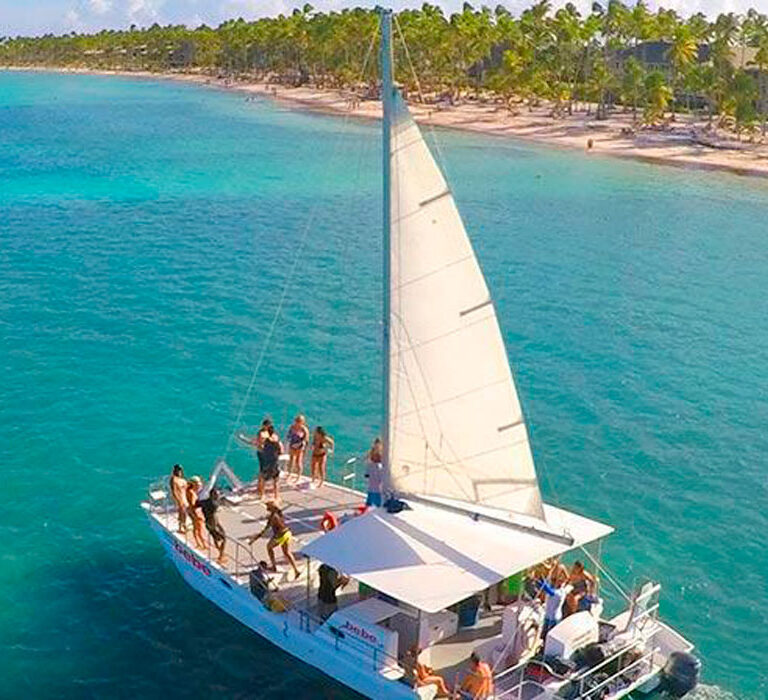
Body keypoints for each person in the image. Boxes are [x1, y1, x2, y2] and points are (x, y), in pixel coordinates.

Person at [248, 501, 301, 580]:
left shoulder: (273, 517)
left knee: (269, 547)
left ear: (272, 507)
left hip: (280, 536)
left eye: (267, 506)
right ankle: (296, 570)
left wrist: (254, 539)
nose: (266, 507)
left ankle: (274, 566)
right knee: (286, 552)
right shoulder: (279, 514)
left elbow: (265, 530)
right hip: (287, 533)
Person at [195, 487, 227, 565]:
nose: (217, 495)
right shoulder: (214, 504)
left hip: (208, 522)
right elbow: (218, 503)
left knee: (215, 538)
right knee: (224, 538)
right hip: (214, 523)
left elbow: (197, 503)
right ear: (212, 495)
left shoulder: (204, 502)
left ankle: (220, 552)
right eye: (216, 494)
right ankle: (220, 555)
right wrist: (222, 499)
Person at [541, 568, 572, 637]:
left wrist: (540, 577)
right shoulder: (563, 590)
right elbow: (568, 580)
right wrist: (563, 569)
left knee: (549, 635)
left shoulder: (557, 593)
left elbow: (545, 587)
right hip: (549, 616)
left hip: (553, 618)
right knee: (544, 634)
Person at [259, 423, 283, 501]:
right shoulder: (277, 440)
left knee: (263, 478)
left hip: (267, 461)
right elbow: (281, 451)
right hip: (274, 461)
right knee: (276, 479)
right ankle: (276, 496)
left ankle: (262, 495)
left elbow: (262, 449)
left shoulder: (265, 440)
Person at [286, 414, 310, 483]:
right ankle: (289, 473)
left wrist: (300, 445)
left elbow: (306, 440)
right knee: (291, 460)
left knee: (298, 462)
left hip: (300, 447)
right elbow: (289, 435)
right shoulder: (292, 427)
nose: (297, 422)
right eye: (297, 421)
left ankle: (298, 476)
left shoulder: (304, 430)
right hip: (292, 446)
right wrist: (289, 442)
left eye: (299, 421)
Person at [186, 476, 207, 550]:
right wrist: (196, 515)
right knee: (200, 529)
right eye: (198, 485)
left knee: (196, 528)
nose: (199, 486)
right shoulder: (192, 493)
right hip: (196, 512)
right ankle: (204, 545)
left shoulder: (189, 491)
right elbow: (192, 505)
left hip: (193, 511)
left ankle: (198, 543)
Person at [364, 437, 384, 507]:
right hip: (378, 490)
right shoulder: (380, 467)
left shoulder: (370, 465)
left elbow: (366, 475)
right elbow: (382, 478)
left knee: (369, 503)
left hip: (370, 488)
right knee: (378, 505)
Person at [169, 464, 188, 533]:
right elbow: (174, 491)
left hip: (185, 497)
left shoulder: (182, 479)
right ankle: (180, 527)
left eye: (180, 470)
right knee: (181, 513)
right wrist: (178, 500)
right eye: (178, 470)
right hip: (180, 498)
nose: (179, 471)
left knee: (185, 513)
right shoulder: (173, 479)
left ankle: (184, 525)